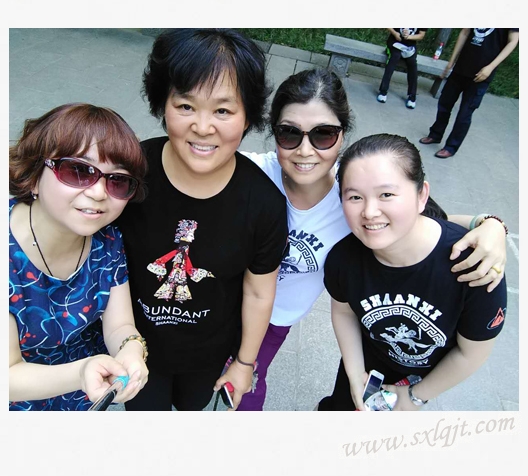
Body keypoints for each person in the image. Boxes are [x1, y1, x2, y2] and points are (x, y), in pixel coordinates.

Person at [239, 68, 508, 411]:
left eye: (323, 134)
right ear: (273, 132)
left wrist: (491, 225)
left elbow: (419, 217)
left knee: (247, 386)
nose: (305, 150)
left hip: (276, 318)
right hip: (222, 300)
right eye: (289, 133)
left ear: (342, 134)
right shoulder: (253, 174)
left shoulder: (354, 195)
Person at [116, 28, 288, 411]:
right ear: (162, 104)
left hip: (208, 354)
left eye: (223, 110)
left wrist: (245, 363)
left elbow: (259, 292)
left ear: (248, 116)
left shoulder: (264, 205)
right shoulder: (129, 174)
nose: (203, 127)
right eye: (186, 106)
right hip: (135, 348)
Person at [318, 133, 507, 411]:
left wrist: (415, 396)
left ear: (422, 195)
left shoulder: (473, 267)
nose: (369, 211)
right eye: (355, 197)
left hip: (426, 377)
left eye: (386, 194)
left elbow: (471, 353)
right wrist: (354, 374)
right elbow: (344, 312)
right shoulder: (343, 258)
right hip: (368, 361)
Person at [9, 103, 150, 411]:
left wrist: (131, 350)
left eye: (117, 180)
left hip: (86, 395)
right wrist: (82, 371)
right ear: (33, 175)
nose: (99, 193)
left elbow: (119, 325)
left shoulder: (107, 239)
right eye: (77, 171)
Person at [419, 28, 519, 159]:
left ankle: (451, 147)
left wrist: (491, 67)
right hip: (461, 68)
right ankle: (435, 134)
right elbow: (464, 32)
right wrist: (451, 62)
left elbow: (513, 41)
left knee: (465, 113)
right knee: (444, 103)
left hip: (481, 75)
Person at [377, 28, 427, 109]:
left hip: (410, 46)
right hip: (394, 42)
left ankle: (412, 96)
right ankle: (383, 91)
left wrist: (409, 37)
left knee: (412, 63)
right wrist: (394, 33)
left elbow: (421, 35)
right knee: (394, 57)